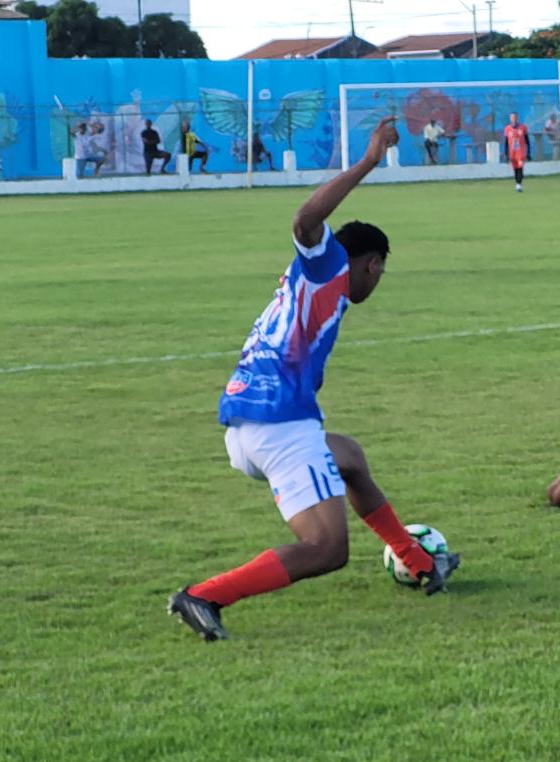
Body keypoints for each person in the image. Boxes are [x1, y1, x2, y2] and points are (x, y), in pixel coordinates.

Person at [167, 117, 459, 642]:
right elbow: (305, 219)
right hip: (279, 425)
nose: (378, 283)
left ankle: (420, 563)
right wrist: (370, 160)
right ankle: (204, 595)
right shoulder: (328, 266)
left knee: (348, 457)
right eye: (381, 273)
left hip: (247, 425)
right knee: (327, 549)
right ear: (370, 264)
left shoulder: (312, 284)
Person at [503, 111, 530, 192]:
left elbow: (527, 141)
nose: (514, 119)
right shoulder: (507, 129)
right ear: (510, 118)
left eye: (515, 117)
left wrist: (528, 152)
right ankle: (517, 183)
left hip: (520, 152)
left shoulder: (523, 128)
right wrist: (506, 153)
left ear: (517, 118)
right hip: (512, 153)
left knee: (520, 168)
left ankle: (519, 184)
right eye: (512, 117)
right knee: (515, 169)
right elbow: (506, 142)